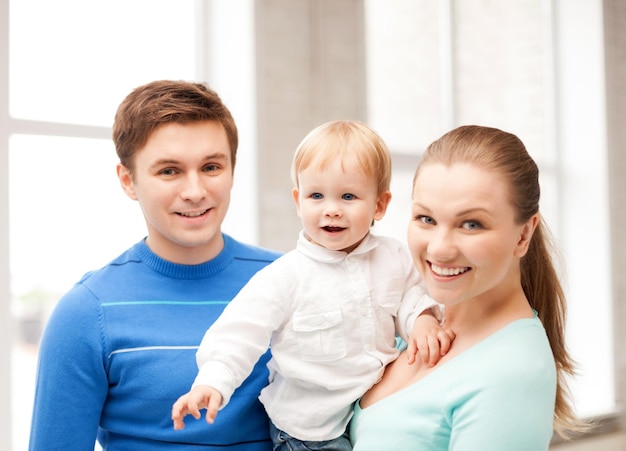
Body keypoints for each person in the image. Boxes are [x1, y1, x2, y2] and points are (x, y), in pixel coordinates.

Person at [28, 80, 282, 450]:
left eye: (211, 166)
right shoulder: (87, 311)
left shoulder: (291, 282)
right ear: (128, 180)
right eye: (169, 171)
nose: (195, 191)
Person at [171, 120, 454, 450]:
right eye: (316, 195)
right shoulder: (285, 277)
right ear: (298, 200)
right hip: (311, 432)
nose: (331, 210)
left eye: (348, 196)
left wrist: (422, 320)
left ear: (379, 204)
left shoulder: (394, 257)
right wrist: (212, 383)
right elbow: (238, 335)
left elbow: (411, 296)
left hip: (373, 410)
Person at [349, 125, 582, 450]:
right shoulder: (413, 321)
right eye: (426, 219)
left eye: (471, 224)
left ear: (523, 234)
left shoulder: (511, 374)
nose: (440, 248)